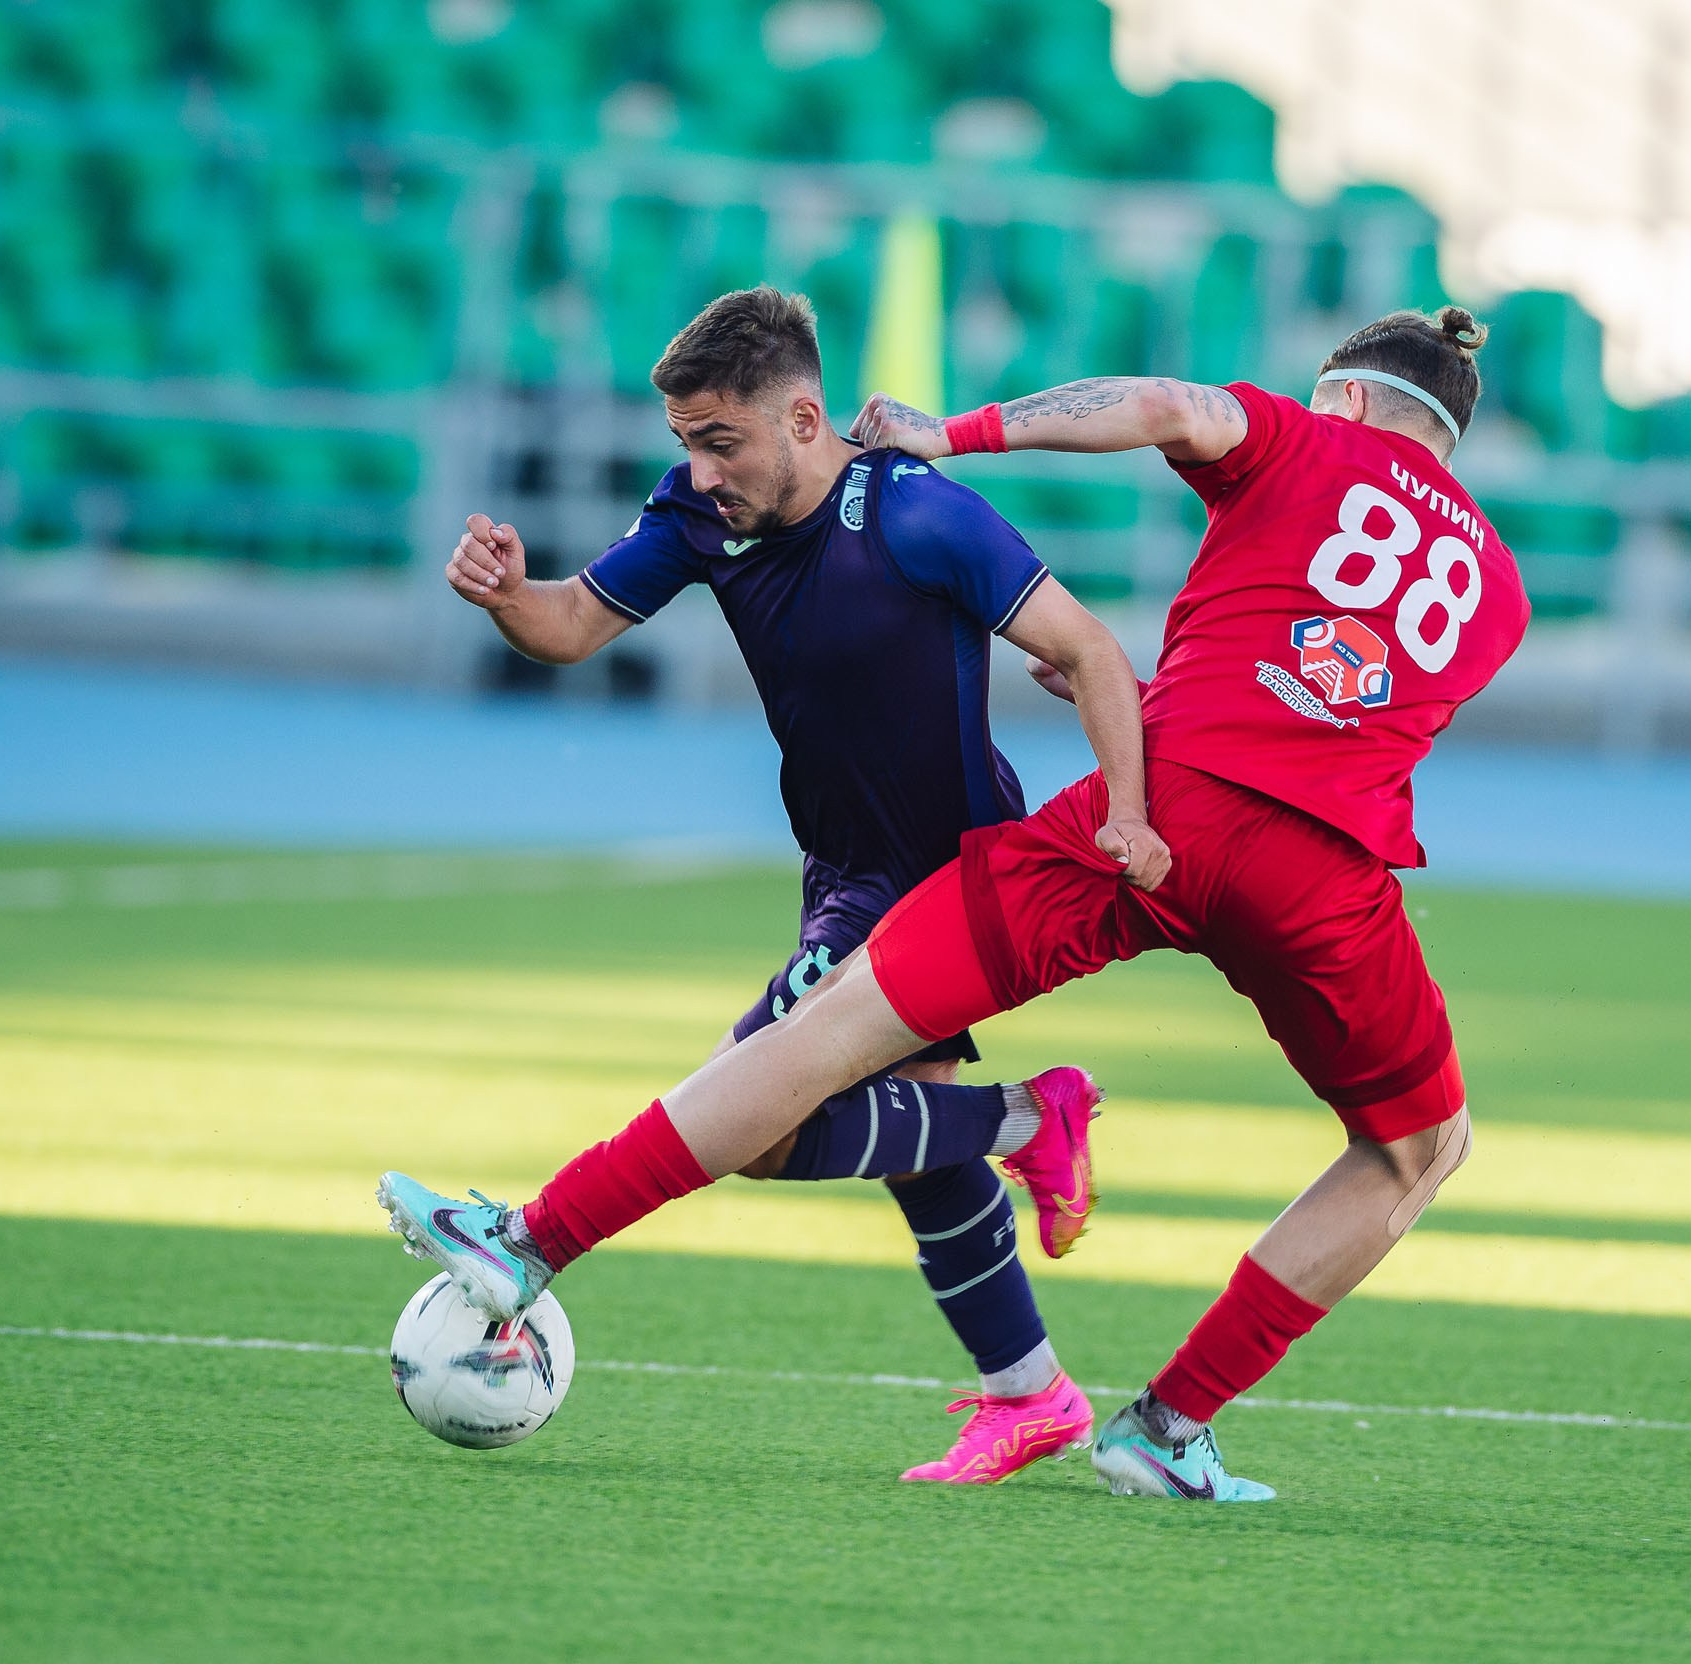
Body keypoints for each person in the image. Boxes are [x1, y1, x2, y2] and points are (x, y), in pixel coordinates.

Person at [380, 304, 1526, 1503]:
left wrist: (960, 429)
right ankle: (1166, 1422)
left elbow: (1168, 410)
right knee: (1415, 1148)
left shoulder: (1297, 436)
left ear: (1343, 394)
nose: (703, 465)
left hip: (1149, 809)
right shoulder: (1497, 592)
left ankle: (533, 1239)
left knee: (818, 1046)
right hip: (1321, 867)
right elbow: (1329, 702)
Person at [402, 285, 1169, 1483]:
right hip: (840, 868)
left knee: (748, 1117)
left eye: (722, 441)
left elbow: (1088, 650)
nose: (701, 471)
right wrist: (508, 593)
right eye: (686, 444)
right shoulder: (702, 516)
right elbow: (566, 628)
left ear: (805, 420)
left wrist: (1126, 812)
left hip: (939, 872)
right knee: (910, 1139)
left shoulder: (921, 515)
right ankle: (1032, 1393)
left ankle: (1031, 1116)